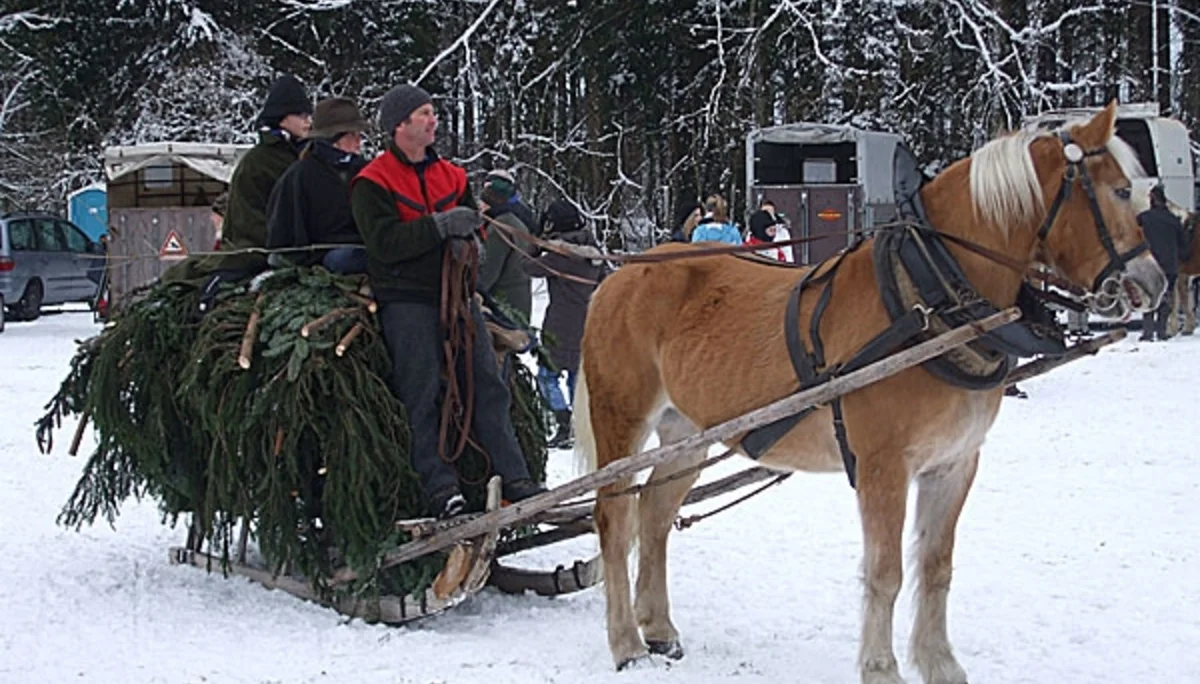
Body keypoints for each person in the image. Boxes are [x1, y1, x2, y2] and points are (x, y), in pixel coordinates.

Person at [350, 83, 544, 518]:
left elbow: (472, 231)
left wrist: (469, 241)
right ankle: (440, 488)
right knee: (420, 393)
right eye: (423, 113)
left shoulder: (453, 176)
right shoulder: (372, 182)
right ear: (399, 125)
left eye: (432, 112)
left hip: (457, 296)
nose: (433, 120)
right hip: (407, 299)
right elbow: (383, 243)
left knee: (486, 383)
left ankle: (515, 478)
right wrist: (439, 227)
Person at [164, 74, 312, 286]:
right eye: (300, 114)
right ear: (282, 117)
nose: (308, 121)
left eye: (309, 114)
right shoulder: (257, 162)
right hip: (263, 249)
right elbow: (248, 221)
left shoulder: (307, 156)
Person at [523, 200, 606, 448]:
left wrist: (537, 242)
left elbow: (526, 265)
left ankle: (563, 421)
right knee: (576, 378)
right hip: (587, 322)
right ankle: (579, 426)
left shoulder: (561, 256)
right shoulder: (594, 252)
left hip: (559, 325)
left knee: (547, 376)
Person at [265, 97, 370, 273]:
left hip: (367, 248)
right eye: (353, 134)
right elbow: (284, 234)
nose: (359, 141)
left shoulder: (365, 170)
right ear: (334, 137)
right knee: (345, 259)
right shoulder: (301, 175)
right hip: (325, 258)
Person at [477, 169, 535, 319]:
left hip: (503, 305)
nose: (480, 205)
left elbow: (488, 274)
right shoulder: (516, 222)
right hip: (520, 302)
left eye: (483, 201)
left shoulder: (499, 228)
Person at [1138, 184, 1187, 341]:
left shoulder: (1143, 218)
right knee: (1166, 296)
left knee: (1148, 295)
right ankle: (1161, 331)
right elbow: (1184, 247)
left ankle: (1147, 332)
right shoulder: (1174, 220)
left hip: (1149, 264)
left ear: (1152, 199)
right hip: (1170, 266)